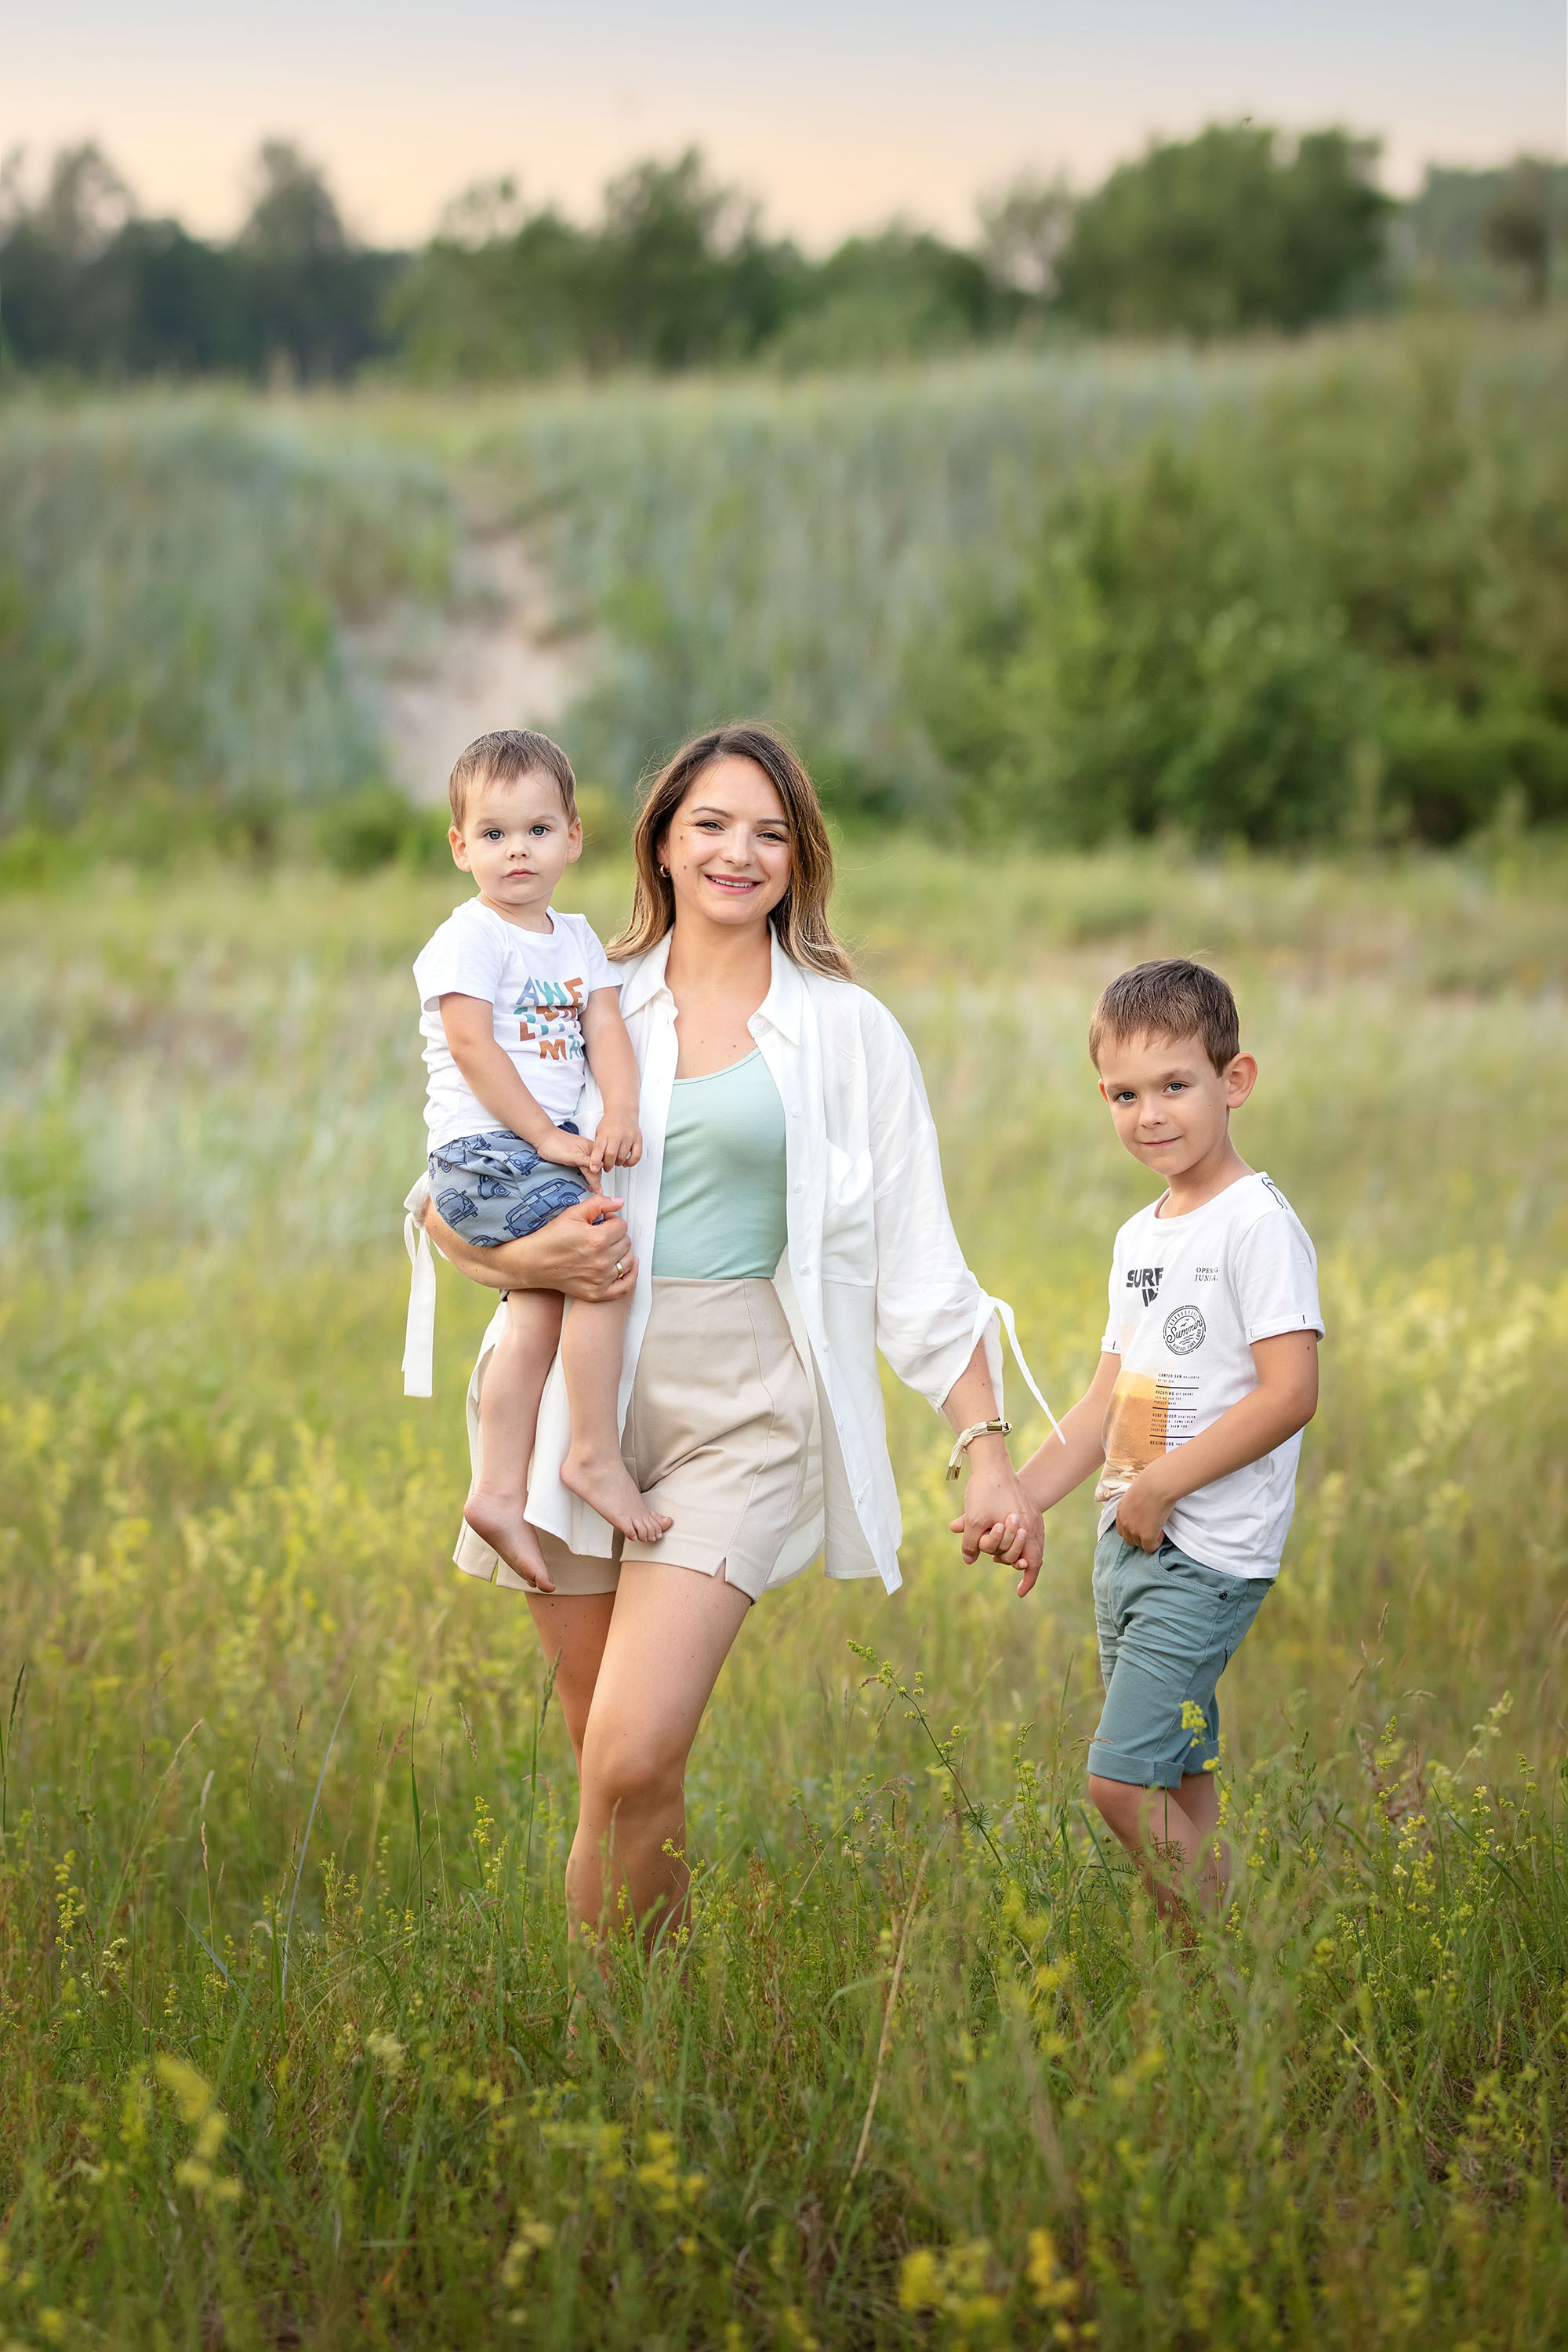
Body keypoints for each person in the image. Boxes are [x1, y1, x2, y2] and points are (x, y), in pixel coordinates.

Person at [405, 722, 1051, 1953]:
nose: (737, 853)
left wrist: (987, 1450)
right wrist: (528, 1261)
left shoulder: (849, 1031)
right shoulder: (581, 986)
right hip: (574, 1394)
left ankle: (637, 2021)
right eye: (710, 824)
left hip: (744, 1405)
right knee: (606, 1762)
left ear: (799, 859)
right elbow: (453, 1189)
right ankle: (637, 2031)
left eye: (768, 833)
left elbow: (922, 1259)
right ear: (660, 841)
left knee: (635, 1751)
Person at [1008, 958, 1322, 1921]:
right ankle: (1208, 1984)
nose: (1150, 1115)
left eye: (1175, 1085)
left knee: (1119, 1782)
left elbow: (1289, 1394)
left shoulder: (1254, 1225)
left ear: (1234, 1080)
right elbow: (1105, 1400)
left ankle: (1243, 1954)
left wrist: (1159, 1486)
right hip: (1129, 1545)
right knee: (1180, 1781)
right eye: (1124, 1094)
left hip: (1205, 1551)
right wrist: (1020, 1497)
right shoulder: (1138, 1236)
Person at [408, 728, 670, 1597]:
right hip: (484, 1153)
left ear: (573, 838)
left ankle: (495, 1491)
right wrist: (549, 1138)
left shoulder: (576, 940)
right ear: (460, 848)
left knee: (536, 1316)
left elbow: (605, 1028)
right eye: (493, 834)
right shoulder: (471, 937)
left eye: (536, 830)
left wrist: (620, 1110)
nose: (515, 850)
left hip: (521, 1153)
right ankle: (592, 1455)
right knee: (602, 1254)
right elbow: (472, 1048)